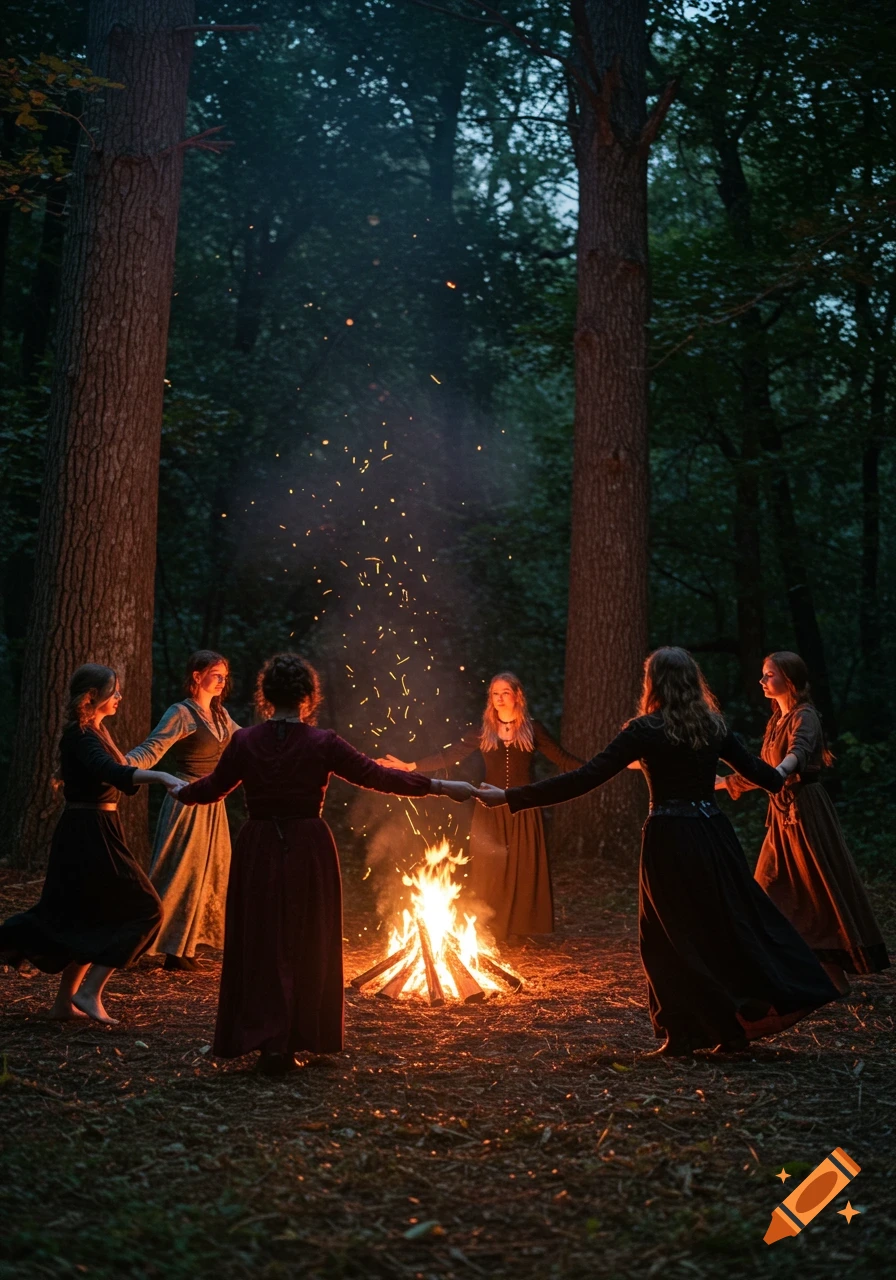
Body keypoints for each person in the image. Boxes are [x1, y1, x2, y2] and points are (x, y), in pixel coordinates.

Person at [477, 648, 838, 1055]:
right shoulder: (711, 726)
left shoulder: (645, 730)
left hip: (669, 837)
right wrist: (790, 766)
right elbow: (768, 779)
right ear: (691, 682)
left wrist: (510, 797)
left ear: (654, 683)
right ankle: (721, 1028)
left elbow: (585, 778)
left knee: (665, 938)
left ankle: (687, 1033)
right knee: (721, 925)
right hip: (712, 835)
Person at [172, 652, 476, 1075]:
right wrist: (442, 786)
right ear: (308, 698)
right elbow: (378, 776)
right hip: (306, 848)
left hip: (260, 847)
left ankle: (269, 1040)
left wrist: (178, 790)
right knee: (302, 941)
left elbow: (211, 789)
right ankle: (290, 1038)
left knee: (263, 940)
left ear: (266, 697)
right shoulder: (322, 742)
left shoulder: (247, 741)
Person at [0, 665, 182, 1024]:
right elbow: (112, 772)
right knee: (147, 910)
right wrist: (161, 775)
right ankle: (88, 992)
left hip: (97, 826)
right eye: (113, 692)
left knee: (89, 915)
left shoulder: (97, 731)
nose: (119, 698)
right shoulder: (81, 736)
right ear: (91, 697)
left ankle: (62, 1005)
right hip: (88, 831)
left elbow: (116, 772)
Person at [717, 651, 889, 996]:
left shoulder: (804, 716)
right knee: (767, 889)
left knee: (816, 888)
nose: (762, 681)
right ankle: (792, 976)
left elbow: (797, 752)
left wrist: (783, 771)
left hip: (805, 814)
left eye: (769, 675)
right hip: (782, 816)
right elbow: (765, 771)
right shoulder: (775, 721)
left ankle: (830, 978)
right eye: (764, 675)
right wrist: (726, 783)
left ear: (789, 680)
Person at [378, 672, 581, 941]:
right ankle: (491, 927)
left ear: (517, 695)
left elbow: (562, 759)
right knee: (490, 867)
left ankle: (521, 928)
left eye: (505, 692)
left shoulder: (533, 729)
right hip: (489, 806)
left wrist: (612, 764)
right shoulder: (483, 730)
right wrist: (412, 766)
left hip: (523, 805)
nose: (499, 698)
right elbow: (450, 755)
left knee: (523, 864)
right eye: (495, 693)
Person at [126, 650, 240, 972]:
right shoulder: (181, 713)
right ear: (196, 675)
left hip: (213, 806)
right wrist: (115, 765)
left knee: (208, 875)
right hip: (186, 800)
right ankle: (137, 943)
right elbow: (151, 749)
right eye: (216, 674)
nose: (222, 681)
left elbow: (246, 742)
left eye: (225, 676)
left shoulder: (220, 716)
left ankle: (183, 949)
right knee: (177, 874)